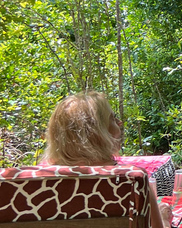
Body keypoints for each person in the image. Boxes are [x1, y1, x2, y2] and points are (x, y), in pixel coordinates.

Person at [42, 91, 172, 228]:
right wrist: (163, 219)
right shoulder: (132, 181)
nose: (120, 123)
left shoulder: (37, 182)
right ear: (97, 133)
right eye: (113, 119)